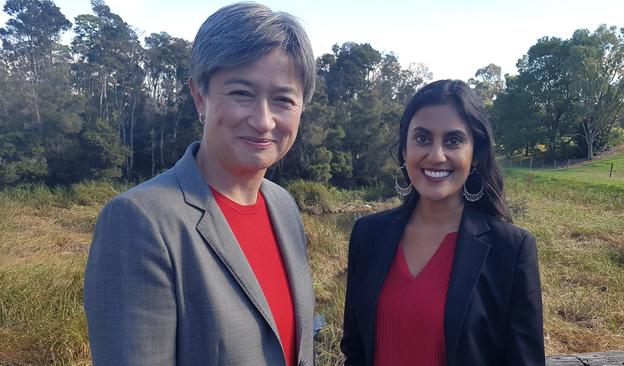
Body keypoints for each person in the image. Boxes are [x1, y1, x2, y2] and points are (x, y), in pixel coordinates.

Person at [84, 3, 316, 365]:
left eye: (283, 99)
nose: (263, 120)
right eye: (241, 93)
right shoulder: (140, 221)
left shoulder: (283, 206)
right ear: (200, 96)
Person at [340, 80, 544, 366]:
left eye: (453, 140)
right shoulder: (368, 234)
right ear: (404, 149)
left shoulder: (510, 250)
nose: (436, 156)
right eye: (422, 138)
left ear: (475, 156)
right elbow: (355, 350)